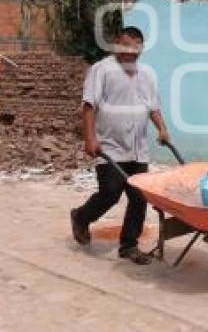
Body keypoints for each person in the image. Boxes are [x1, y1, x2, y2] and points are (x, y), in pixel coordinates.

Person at [70, 26, 169, 264]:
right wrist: (90, 138)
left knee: (138, 197)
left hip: (138, 149)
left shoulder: (146, 74)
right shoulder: (101, 70)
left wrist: (163, 130)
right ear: (117, 44)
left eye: (135, 49)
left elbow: (152, 106)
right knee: (111, 193)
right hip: (109, 146)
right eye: (125, 46)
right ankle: (81, 217)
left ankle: (128, 246)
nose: (130, 53)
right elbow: (89, 106)